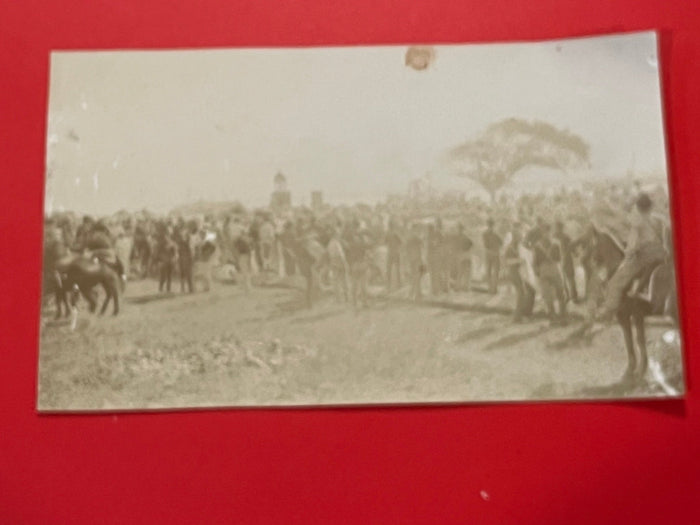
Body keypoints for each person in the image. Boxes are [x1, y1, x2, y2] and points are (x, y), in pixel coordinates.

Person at [598, 192, 667, 319]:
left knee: (617, 280)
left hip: (645, 256)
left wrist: (626, 252)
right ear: (650, 207)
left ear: (637, 207)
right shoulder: (657, 219)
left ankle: (609, 309)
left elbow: (633, 247)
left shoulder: (637, 222)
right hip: (661, 254)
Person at [533, 223, 568, 325]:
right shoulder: (542, 245)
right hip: (546, 270)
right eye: (545, 232)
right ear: (543, 233)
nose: (546, 234)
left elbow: (559, 259)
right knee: (548, 296)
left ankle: (562, 316)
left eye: (547, 232)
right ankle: (553, 317)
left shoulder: (553, 244)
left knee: (560, 293)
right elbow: (535, 262)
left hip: (552, 269)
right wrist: (538, 273)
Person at [504, 225, 535, 322]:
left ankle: (525, 314)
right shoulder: (510, 247)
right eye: (519, 236)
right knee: (521, 293)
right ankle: (517, 317)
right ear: (515, 237)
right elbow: (506, 262)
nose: (521, 238)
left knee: (530, 291)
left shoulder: (517, 246)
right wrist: (519, 260)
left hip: (519, 272)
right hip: (513, 272)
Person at [554, 221, 578, 303]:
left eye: (559, 227)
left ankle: (572, 296)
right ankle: (569, 296)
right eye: (557, 227)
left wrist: (575, 253)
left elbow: (572, 247)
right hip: (560, 260)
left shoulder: (564, 237)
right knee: (564, 279)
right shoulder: (556, 237)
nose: (558, 229)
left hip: (565, 260)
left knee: (569, 278)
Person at [482, 218, 503, 294]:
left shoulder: (485, 233)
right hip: (495, 254)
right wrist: (496, 249)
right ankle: (494, 289)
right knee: (495, 272)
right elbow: (501, 243)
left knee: (489, 272)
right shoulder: (496, 234)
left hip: (489, 254)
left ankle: (491, 288)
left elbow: (485, 245)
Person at [406, 223, 424, 301]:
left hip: (412, 259)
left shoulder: (409, 237)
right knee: (417, 276)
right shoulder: (416, 237)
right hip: (417, 258)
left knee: (416, 276)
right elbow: (422, 244)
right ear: (414, 229)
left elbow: (406, 248)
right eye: (417, 229)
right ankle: (415, 294)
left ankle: (416, 293)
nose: (418, 231)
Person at [385, 221, 402, 292]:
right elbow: (401, 241)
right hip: (395, 252)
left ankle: (388, 285)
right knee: (397, 268)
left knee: (389, 269)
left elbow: (384, 242)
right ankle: (399, 284)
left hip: (390, 252)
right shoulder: (396, 233)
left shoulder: (387, 233)